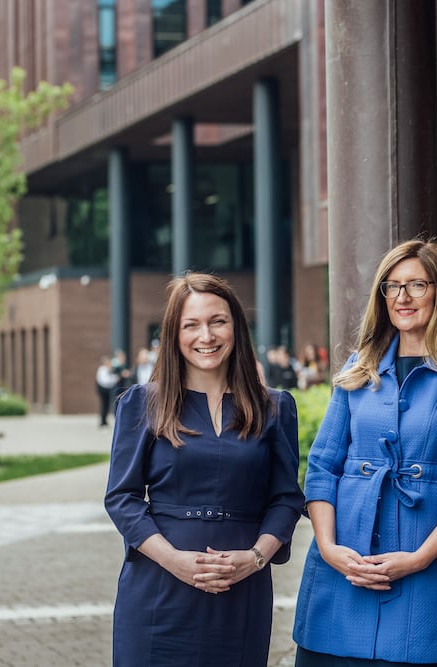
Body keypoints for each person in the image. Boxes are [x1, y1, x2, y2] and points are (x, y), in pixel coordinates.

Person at [292, 239, 437, 666]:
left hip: (423, 564)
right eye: (392, 286)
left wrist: (419, 558)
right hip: (342, 560)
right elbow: (323, 467)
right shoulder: (357, 366)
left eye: (416, 285)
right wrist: (328, 548)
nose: (402, 297)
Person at [104, 272, 304, 666]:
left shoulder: (275, 407)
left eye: (218, 321)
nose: (206, 336)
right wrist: (173, 560)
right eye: (191, 325)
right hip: (159, 587)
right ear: (174, 334)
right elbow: (122, 498)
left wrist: (256, 558)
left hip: (241, 588)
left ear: (236, 328)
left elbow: (285, 500)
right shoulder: (143, 403)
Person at [96, 355, 119, 427]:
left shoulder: (107, 369)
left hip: (107, 390)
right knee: (104, 406)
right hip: (103, 390)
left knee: (106, 406)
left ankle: (104, 421)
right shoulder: (103, 370)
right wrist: (114, 379)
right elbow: (105, 381)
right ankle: (103, 421)